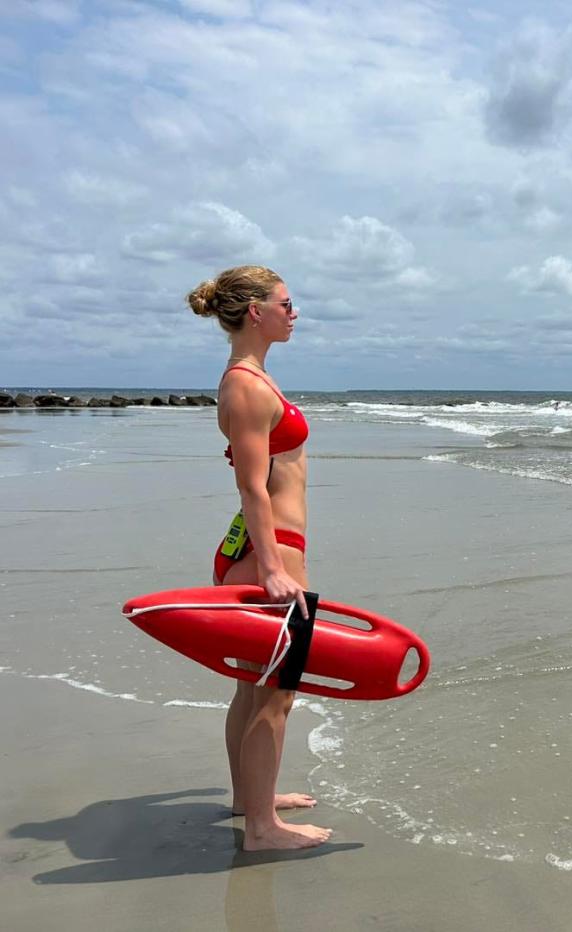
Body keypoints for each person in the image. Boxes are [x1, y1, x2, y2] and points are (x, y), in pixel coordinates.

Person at [187, 265, 331, 851]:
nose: (294, 313)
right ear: (256, 312)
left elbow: (260, 469)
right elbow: (252, 488)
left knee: (252, 687)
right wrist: (274, 567)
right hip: (268, 549)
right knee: (278, 692)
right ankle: (263, 831)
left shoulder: (251, 379)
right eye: (286, 303)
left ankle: (252, 801)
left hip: (255, 546)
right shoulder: (245, 383)